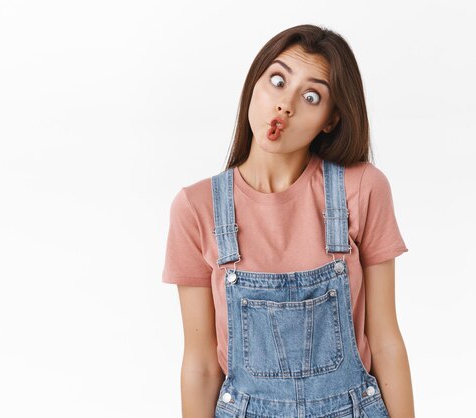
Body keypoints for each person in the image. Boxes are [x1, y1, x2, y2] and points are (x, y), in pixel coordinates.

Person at [162, 24, 415, 418]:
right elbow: (201, 367)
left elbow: (385, 341)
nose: (285, 105)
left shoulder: (362, 188)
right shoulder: (196, 208)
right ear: (254, 84)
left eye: (311, 96)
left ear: (330, 119)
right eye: (277, 81)